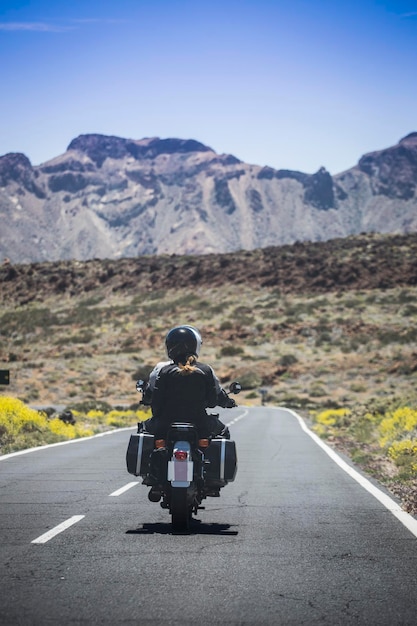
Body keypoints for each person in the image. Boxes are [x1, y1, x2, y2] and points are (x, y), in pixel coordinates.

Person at [140, 325, 236, 439]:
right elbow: (212, 402)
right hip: (200, 423)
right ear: (195, 345)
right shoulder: (205, 370)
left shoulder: (163, 370)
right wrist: (226, 402)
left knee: (143, 430)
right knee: (223, 432)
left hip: (165, 424)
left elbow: (156, 401)